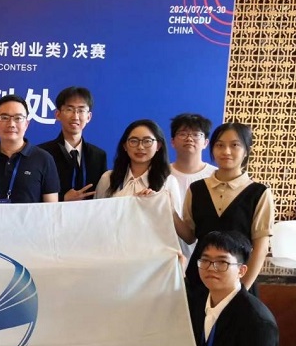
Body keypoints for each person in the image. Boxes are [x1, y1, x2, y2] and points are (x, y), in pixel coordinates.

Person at [174, 122, 274, 293]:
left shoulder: (259, 193)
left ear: (246, 150)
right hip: (200, 279)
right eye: (220, 145)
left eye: (234, 145)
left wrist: (241, 292)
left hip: (238, 280)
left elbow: (261, 247)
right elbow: (189, 236)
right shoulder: (197, 189)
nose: (226, 151)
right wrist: (169, 209)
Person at [0, 94, 60, 203]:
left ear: (26, 124)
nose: (11, 124)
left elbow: (51, 208)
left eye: (18, 118)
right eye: (4, 118)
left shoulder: (44, 159)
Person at [94, 119, 182, 214]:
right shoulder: (108, 178)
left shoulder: (168, 182)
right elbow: (96, 215)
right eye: (134, 141)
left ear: (158, 146)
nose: (140, 147)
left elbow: (176, 221)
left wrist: (157, 203)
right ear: (125, 146)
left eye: (147, 141)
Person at [38, 86, 107, 201]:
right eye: (69, 109)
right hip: (54, 212)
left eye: (81, 110)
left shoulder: (98, 156)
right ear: (58, 114)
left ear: (89, 117)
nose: (75, 116)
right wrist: (63, 198)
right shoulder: (42, 153)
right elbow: (33, 194)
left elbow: (104, 195)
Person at [169, 113, 218, 262]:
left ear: (206, 142)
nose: (189, 138)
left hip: (206, 255)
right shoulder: (160, 174)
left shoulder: (216, 176)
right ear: (172, 142)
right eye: (183, 133)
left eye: (196, 134)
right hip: (167, 253)